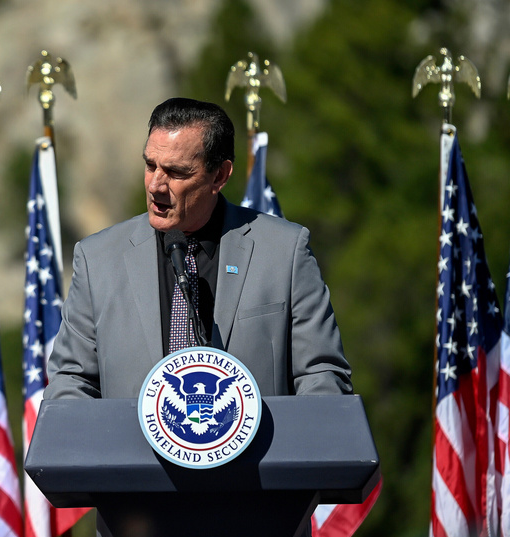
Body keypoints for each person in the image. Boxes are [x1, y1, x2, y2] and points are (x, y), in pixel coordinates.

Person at [45, 97, 351, 401]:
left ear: (219, 176)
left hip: (258, 449)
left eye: (176, 172)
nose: (155, 186)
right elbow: (72, 381)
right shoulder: (97, 259)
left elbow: (321, 375)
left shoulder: (284, 252)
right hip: (131, 450)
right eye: (150, 166)